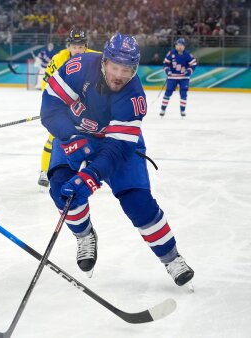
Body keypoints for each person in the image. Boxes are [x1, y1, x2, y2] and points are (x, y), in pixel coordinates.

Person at [40, 33, 194, 287]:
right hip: (74, 135)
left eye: (127, 69)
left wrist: (91, 175)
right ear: (104, 62)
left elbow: (118, 148)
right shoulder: (76, 67)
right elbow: (50, 109)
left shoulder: (134, 97)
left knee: (138, 203)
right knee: (60, 188)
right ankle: (84, 235)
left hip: (116, 145)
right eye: (115, 67)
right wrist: (69, 137)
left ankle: (171, 258)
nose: (119, 75)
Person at [38, 29, 97, 188]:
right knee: (53, 136)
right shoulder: (58, 59)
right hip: (64, 105)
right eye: (74, 46)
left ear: (85, 46)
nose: (77, 50)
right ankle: (44, 170)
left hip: (86, 108)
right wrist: (57, 105)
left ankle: (89, 172)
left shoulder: (96, 58)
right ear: (68, 46)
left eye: (80, 46)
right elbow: (46, 84)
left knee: (90, 136)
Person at [160, 38, 197, 118]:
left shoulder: (188, 55)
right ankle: (163, 109)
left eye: (181, 45)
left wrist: (189, 71)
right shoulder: (171, 54)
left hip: (184, 78)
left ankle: (182, 110)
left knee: (183, 93)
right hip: (172, 77)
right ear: (176, 45)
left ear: (184, 46)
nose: (180, 47)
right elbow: (165, 64)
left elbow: (193, 64)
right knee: (168, 92)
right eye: (178, 45)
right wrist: (168, 71)